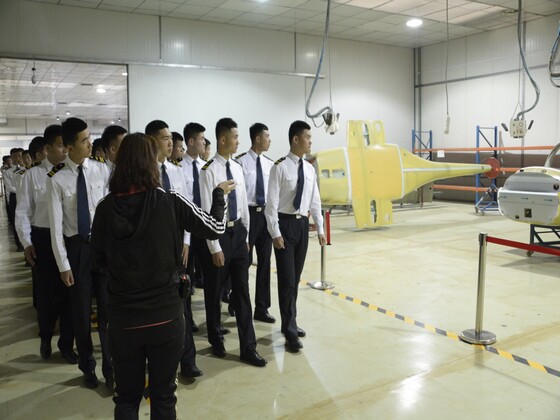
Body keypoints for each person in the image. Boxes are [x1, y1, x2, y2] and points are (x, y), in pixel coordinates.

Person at [90, 132, 232, 420]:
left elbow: (98, 261)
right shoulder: (170, 201)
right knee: (164, 396)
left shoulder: (105, 208)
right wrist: (219, 195)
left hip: (124, 320)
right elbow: (216, 227)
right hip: (165, 318)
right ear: (151, 162)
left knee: (126, 399)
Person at [46, 117, 112, 389]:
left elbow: (110, 212)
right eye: (84, 140)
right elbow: (56, 228)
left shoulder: (101, 170)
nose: (90, 143)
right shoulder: (57, 179)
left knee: (108, 311)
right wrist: (64, 265)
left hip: (102, 248)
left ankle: (111, 368)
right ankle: (88, 366)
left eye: (90, 138)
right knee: (81, 313)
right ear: (69, 147)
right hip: (77, 250)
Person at [199, 117, 267, 367]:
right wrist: (214, 247)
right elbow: (207, 211)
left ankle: (248, 347)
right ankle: (215, 338)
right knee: (214, 291)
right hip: (219, 235)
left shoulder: (237, 167)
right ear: (223, 139)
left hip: (238, 235)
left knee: (242, 293)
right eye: (235, 137)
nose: (238, 141)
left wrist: (246, 237)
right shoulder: (208, 171)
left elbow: (244, 205)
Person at [145, 120, 202, 379]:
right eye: (165, 138)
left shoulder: (176, 171)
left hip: (179, 245)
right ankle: (160, 362)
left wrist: (187, 241)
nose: (171, 143)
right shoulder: (144, 175)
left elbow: (187, 208)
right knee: (159, 307)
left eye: (171, 138)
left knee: (184, 302)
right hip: (155, 249)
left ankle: (188, 360)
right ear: (151, 141)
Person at [15, 127, 77, 363]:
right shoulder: (32, 175)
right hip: (43, 238)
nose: (64, 151)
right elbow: (23, 212)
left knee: (70, 293)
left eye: (66, 146)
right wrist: (27, 242)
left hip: (67, 237)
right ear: (47, 148)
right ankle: (46, 336)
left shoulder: (72, 172)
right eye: (60, 146)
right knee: (46, 294)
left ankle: (67, 344)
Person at [264, 120, 326, 352]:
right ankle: (290, 331)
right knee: (287, 281)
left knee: (295, 279)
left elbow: (315, 201)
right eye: (307, 137)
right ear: (295, 139)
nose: (310, 141)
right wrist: (275, 232)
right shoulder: (279, 167)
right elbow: (271, 204)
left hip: (302, 227)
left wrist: (320, 228)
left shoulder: (309, 169)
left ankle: (289, 322)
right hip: (285, 226)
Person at [235, 123, 276, 324]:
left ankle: (262, 308)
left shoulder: (270, 164)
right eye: (267, 136)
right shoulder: (240, 163)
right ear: (258, 138)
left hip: (265, 215)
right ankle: (237, 301)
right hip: (248, 215)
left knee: (265, 262)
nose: (270, 140)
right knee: (243, 261)